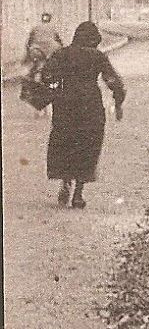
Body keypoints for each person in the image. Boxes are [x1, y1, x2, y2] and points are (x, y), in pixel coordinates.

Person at [42, 21, 126, 210]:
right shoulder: (97, 56)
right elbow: (113, 80)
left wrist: (55, 88)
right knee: (87, 145)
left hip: (65, 105)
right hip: (90, 106)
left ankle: (65, 181)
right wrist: (118, 103)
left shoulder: (61, 54)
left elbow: (47, 76)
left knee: (65, 142)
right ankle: (78, 193)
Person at [24, 12, 62, 80]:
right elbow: (59, 41)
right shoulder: (52, 28)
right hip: (49, 52)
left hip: (36, 51)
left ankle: (32, 77)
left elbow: (29, 41)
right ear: (49, 19)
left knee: (36, 65)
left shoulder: (35, 27)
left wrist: (28, 52)